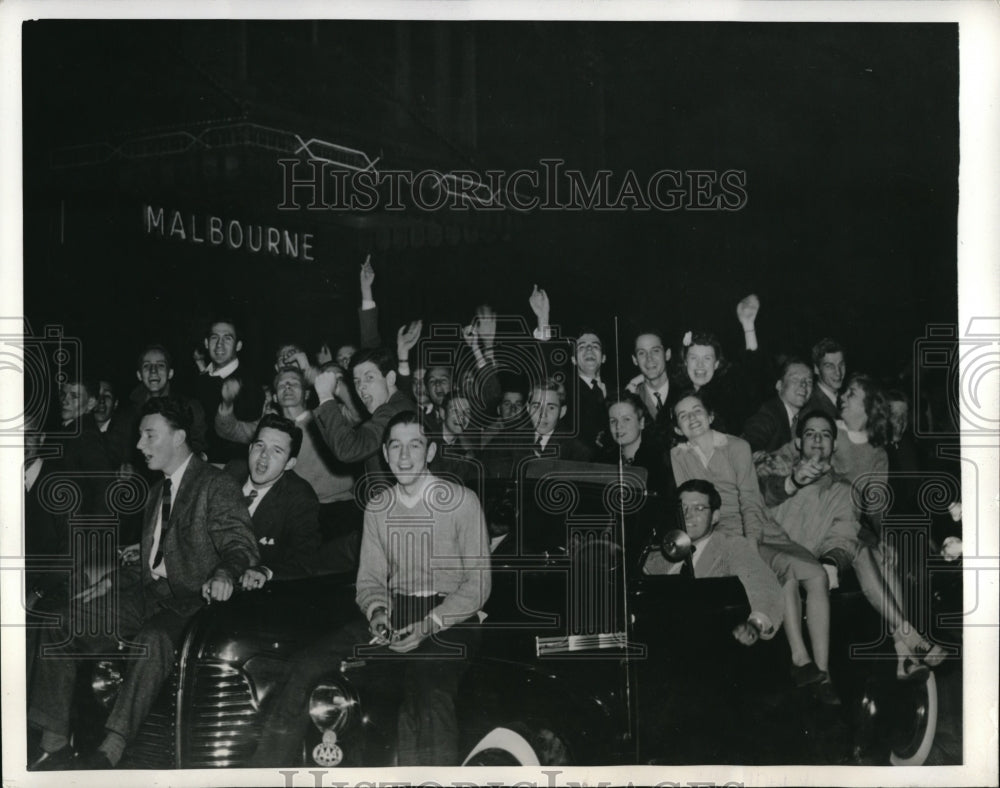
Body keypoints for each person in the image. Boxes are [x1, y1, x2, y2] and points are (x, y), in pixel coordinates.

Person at [249, 411, 491, 766]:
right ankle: (263, 773)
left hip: (451, 617)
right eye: (396, 447)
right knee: (306, 666)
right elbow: (371, 580)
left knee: (429, 692)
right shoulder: (379, 506)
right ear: (385, 454)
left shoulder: (462, 501)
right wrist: (378, 612)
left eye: (415, 446)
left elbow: (479, 583)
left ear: (430, 451)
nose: (404, 456)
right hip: (396, 611)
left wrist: (428, 626)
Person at [28, 397, 258, 770]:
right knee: (64, 621)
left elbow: (241, 545)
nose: (139, 445)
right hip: (148, 594)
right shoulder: (156, 492)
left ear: (179, 437)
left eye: (150, 435)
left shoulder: (215, 485)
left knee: (153, 639)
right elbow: (153, 562)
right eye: (139, 436)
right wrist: (108, 582)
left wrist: (223, 573)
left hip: (192, 604)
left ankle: (111, 750)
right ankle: (52, 742)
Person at [670, 391, 837, 702]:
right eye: (683, 415)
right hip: (722, 533)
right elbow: (688, 505)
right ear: (678, 427)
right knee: (783, 573)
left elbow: (750, 499)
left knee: (816, 573)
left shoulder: (737, 447)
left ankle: (823, 672)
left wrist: (752, 540)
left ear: (710, 416)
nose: (692, 418)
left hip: (756, 524)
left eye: (697, 411)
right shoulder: (678, 456)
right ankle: (800, 659)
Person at [762, 410, 945, 679]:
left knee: (873, 553)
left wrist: (854, 551)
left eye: (825, 435)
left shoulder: (844, 488)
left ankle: (903, 650)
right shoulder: (778, 471)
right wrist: (792, 481)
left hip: (817, 557)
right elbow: (762, 496)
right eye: (810, 433)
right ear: (798, 442)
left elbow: (845, 531)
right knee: (862, 549)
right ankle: (906, 639)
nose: (817, 440)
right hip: (781, 557)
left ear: (834, 446)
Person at [216, 365, 360, 572]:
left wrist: (329, 384)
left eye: (294, 382)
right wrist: (227, 402)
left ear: (308, 393)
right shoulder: (271, 430)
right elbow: (227, 427)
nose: (288, 386)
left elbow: (356, 414)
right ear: (274, 396)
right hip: (291, 512)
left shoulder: (325, 417)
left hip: (338, 509)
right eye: (282, 384)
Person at [643, 479, 783, 647]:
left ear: (715, 516)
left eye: (699, 508)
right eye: (682, 508)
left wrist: (755, 624)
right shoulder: (659, 551)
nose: (687, 515)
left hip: (706, 644)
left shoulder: (731, 547)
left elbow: (763, 585)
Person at [224, 414, 321, 585]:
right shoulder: (232, 472)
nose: (263, 455)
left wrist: (264, 571)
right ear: (250, 448)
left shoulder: (300, 498)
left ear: (290, 463)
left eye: (276, 450)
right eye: (260, 445)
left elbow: (305, 562)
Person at [312, 347, 415, 488]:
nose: (361, 387)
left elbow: (348, 449)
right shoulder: (400, 403)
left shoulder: (391, 411)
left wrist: (325, 396)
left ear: (390, 378)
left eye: (369, 378)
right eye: (357, 381)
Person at [528, 285, 609, 451]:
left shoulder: (617, 391)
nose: (588, 350)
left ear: (604, 357)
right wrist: (543, 319)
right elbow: (548, 366)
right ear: (573, 360)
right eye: (582, 347)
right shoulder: (568, 388)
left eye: (595, 346)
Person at [670, 294, 763, 434]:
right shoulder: (674, 395)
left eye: (707, 358)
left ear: (716, 364)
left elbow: (753, 370)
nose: (700, 364)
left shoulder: (730, 396)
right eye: (694, 358)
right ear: (685, 362)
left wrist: (748, 325)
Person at [488, 377, 593, 476]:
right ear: (528, 408)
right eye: (536, 406)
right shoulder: (505, 440)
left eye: (551, 407)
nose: (543, 414)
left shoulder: (577, 452)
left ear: (562, 411)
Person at [194, 318, 264, 463]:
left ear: (238, 346)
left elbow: (246, 439)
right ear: (206, 343)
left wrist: (205, 456)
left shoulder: (250, 385)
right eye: (214, 337)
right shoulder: (198, 380)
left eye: (227, 338)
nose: (220, 344)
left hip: (226, 468)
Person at [599, 390, 674, 500]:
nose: (618, 426)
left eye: (626, 419)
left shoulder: (661, 462)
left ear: (641, 423)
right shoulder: (603, 461)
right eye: (613, 421)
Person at [742, 357, 814, 454]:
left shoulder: (804, 418)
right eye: (795, 379)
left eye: (809, 381)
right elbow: (748, 451)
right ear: (779, 385)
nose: (803, 385)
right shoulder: (767, 415)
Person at [803, 338, 846, 422]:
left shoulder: (845, 398)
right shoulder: (811, 409)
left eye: (841, 364)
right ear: (816, 369)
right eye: (830, 366)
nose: (838, 372)